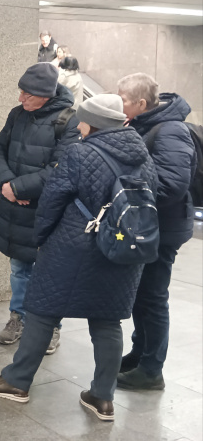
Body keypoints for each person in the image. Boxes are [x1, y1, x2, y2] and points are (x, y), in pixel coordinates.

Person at [0, 95, 158, 421]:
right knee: (107, 322)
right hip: (121, 251)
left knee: (42, 312)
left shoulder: (80, 153)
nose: (79, 124)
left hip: (72, 248)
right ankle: (102, 398)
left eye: (83, 120)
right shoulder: (143, 156)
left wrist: (42, 239)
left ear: (93, 123)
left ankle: (17, 381)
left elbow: (52, 201)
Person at [0, 63, 80, 352]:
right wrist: (6, 183)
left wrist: (19, 188)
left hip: (48, 212)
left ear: (45, 94)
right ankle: (18, 318)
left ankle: (51, 327)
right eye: (20, 92)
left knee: (50, 273)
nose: (20, 99)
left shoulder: (69, 121)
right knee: (19, 268)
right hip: (15, 210)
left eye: (26, 94)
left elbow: (61, 169)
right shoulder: (17, 115)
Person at [116, 73, 197, 391]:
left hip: (162, 228)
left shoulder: (171, 130)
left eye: (122, 98)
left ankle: (152, 370)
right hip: (148, 225)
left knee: (152, 297)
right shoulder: (142, 124)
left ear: (140, 103)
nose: (118, 102)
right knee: (141, 294)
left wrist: (126, 187)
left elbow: (172, 185)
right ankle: (141, 353)